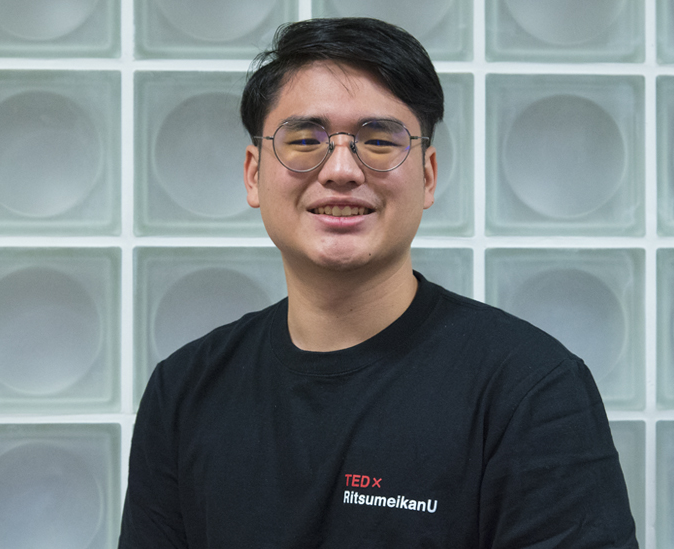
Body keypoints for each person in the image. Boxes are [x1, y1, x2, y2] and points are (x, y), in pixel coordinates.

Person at [119, 17, 638, 548]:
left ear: (429, 175)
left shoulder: (530, 388)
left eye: (379, 140)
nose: (341, 169)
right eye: (304, 139)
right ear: (254, 173)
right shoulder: (183, 391)